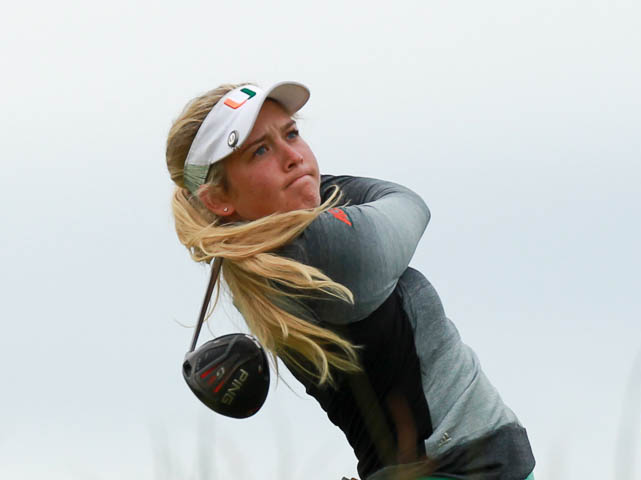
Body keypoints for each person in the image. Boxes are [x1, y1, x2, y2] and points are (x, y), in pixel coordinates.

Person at [165, 81, 536, 480]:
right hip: (460, 468)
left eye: (292, 133)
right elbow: (409, 205)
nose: (293, 156)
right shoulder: (322, 249)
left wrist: (302, 184)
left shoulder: (253, 264)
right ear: (218, 199)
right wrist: (313, 182)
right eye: (260, 151)